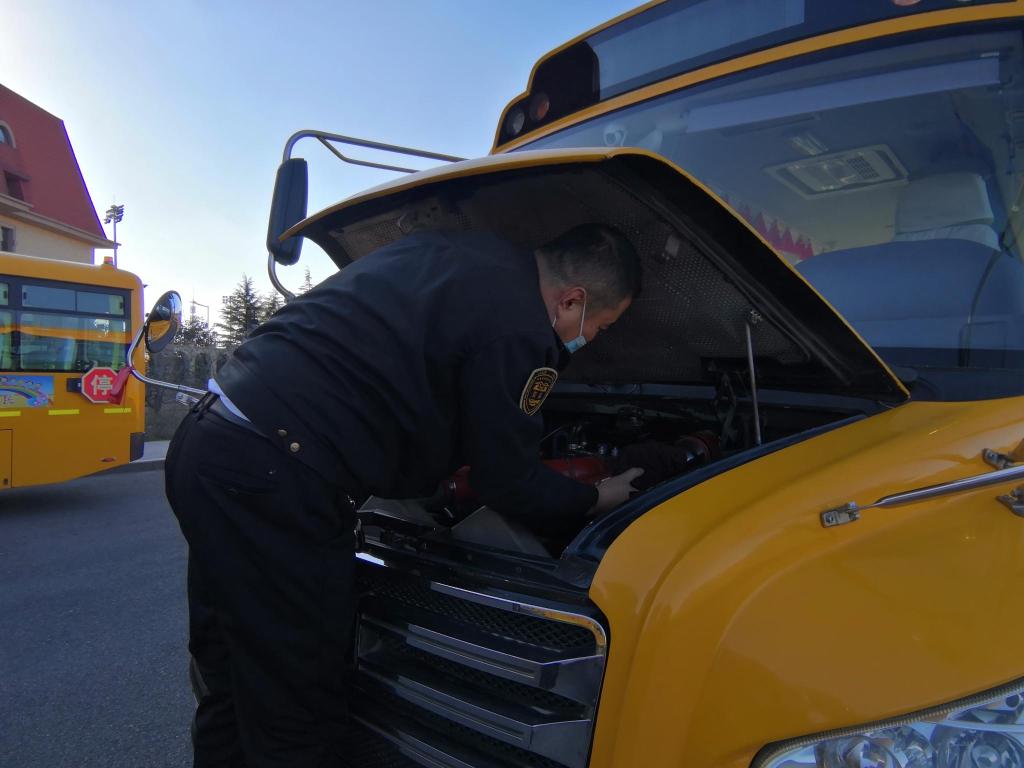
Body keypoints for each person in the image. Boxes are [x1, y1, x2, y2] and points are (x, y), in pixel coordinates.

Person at [164, 223, 644, 767]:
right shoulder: (520, 327)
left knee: (228, 672)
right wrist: (595, 499)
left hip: (208, 442)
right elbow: (506, 480)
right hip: (274, 477)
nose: (591, 340)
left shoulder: (449, 247)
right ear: (572, 300)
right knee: (297, 699)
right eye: (600, 326)